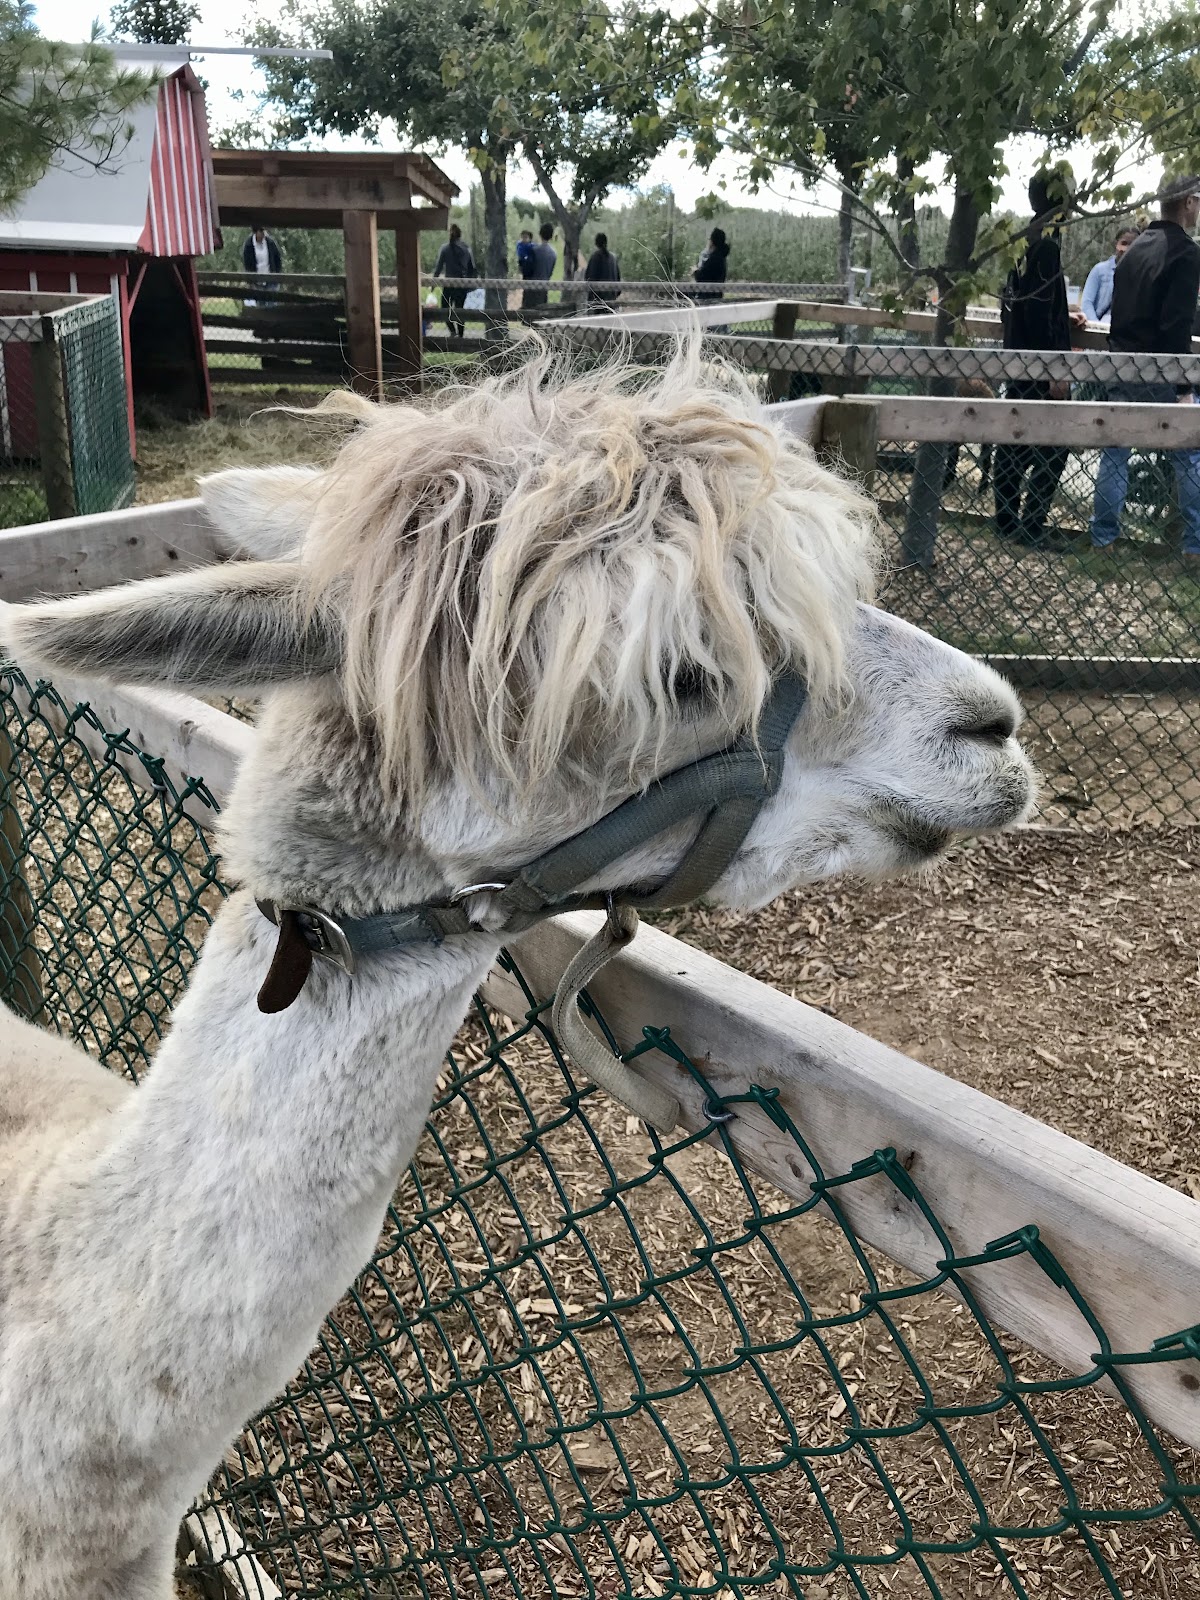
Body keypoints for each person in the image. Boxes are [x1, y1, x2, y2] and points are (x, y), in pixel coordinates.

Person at [1090, 175, 1200, 561]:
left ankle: (1103, 539)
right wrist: (1184, 388)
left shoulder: (1133, 250)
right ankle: (1195, 546)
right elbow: (1177, 324)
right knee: (1188, 451)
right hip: (1159, 368)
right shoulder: (1185, 252)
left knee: (1115, 452)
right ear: (1187, 203)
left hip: (1122, 362)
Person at [993, 172, 1088, 550]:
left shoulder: (1023, 240)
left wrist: (1061, 316)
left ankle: (1005, 520)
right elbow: (1036, 310)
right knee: (1055, 443)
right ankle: (1030, 524)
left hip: (1018, 356)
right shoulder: (1047, 246)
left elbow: (1015, 306)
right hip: (1039, 364)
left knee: (1014, 441)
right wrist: (1056, 372)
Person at [1081, 227, 1139, 325]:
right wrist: (1096, 326)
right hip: (1100, 327)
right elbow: (1087, 303)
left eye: (1132, 244)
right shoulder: (1099, 270)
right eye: (1124, 243)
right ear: (1116, 244)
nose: (1127, 249)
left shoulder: (1142, 274)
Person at [432, 223, 475, 338]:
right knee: (460, 310)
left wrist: (433, 282)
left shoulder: (445, 249)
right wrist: (470, 283)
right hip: (462, 284)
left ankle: (452, 331)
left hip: (449, 284)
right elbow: (472, 268)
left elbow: (439, 267)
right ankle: (460, 335)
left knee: (445, 309)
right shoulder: (466, 249)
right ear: (460, 235)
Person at [241, 226, 282, 309]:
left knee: (272, 305)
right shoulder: (248, 245)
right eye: (261, 231)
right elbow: (247, 264)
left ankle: (272, 321)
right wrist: (250, 280)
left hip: (271, 280)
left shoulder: (270, 242)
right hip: (257, 281)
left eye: (264, 231)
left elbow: (278, 259)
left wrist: (277, 275)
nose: (264, 234)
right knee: (260, 306)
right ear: (256, 232)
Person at [583, 232, 621, 310]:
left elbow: (589, 277)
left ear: (596, 243)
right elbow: (618, 279)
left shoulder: (595, 257)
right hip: (611, 299)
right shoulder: (613, 258)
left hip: (597, 301)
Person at [523, 223, 557, 311]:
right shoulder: (553, 253)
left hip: (531, 288)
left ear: (540, 234)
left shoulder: (534, 250)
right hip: (544, 288)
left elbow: (526, 270)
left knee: (528, 315)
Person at [691, 228, 730, 301]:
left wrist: (695, 271)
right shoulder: (721, 257)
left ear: (712, 242)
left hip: (708, 296)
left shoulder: (714, 258)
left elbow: (702, 277)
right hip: (717, 294)